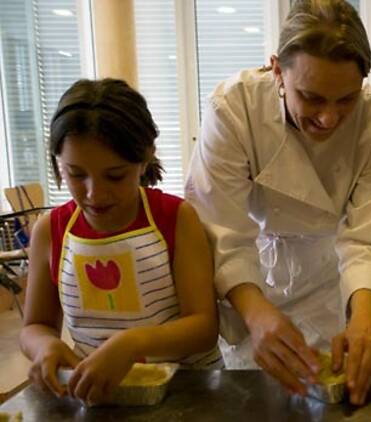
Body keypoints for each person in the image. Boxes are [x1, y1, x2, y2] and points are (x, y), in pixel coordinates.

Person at [185, 0, 371, 405]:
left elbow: (365, 237)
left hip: (335, 279)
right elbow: (224, 233)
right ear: (277, 70)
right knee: (257, 403)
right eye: (312, 98)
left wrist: (367, 317)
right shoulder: (234, 108)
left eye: (345, 100)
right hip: (253, 279)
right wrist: (255, 313)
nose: (328, 118)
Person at [20, 78, 222, 405]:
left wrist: (131, 344)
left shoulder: (175, 218)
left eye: (115, 175)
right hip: (95, 395)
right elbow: (35, 326)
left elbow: (203, 328)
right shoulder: (52, 230)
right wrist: (45, 345)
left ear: (144, 159)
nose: (94, 193)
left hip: (184, 392)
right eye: (75, 174)